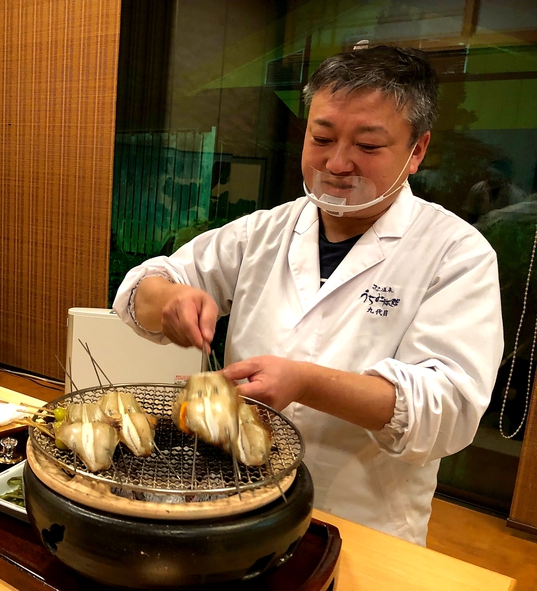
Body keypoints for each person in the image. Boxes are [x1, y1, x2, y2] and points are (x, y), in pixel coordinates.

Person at [112, 45, 504, 546]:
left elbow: (448, 408)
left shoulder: (455, 253)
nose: (337, 162)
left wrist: (305, 383)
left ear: (417, 151)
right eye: (322, 137)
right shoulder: (265, 231)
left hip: (363, 523)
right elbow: (143, 286)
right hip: (239, 506)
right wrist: (166, 299)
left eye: (368, 145)